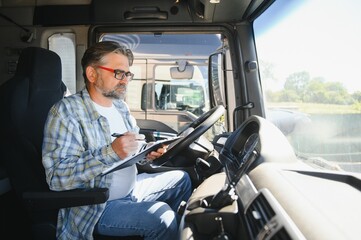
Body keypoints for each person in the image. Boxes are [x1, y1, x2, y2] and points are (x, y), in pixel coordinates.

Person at [42, 41, 192, 240]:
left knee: (182, 180)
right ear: (92, 74)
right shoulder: (65, 112)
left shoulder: (121, 107)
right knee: (161, 218)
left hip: (132, 190)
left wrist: (147, 153)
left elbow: (131, 151)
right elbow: (57, 178)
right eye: (118, 73)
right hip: (97, 205)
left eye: (127, 74)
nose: (125, 80)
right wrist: (110, 153)